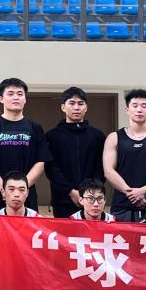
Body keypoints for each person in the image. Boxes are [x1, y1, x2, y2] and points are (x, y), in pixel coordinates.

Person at [0, 78, 52, 212]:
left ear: (25, 99)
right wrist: (5, 190)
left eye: (20, 94)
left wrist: (21, 189)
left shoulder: (35, 128)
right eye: (10, 94)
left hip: (27, 197)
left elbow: (41, 162)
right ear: (1, 99)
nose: (16, 97)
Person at [103, 89, 146, 222]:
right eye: (135, 106)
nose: (139, 110)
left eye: (144, 106)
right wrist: (131, 193)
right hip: (121, 205)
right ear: (127, 110)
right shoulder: (114, 138)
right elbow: (108, 171)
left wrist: (143, 191)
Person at [45, 86, 105, 219]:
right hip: (62, 199)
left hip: (92, 199)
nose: (76, 107)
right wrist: (70, 191)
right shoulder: (52, 136)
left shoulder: (97, 136)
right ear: (63, 107)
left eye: (80, 103)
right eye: (71, 103)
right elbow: (51, 168)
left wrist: (90, 193)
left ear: (86, 107)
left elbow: (101, 166)